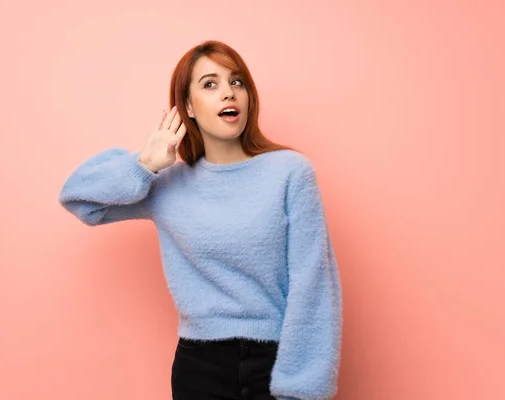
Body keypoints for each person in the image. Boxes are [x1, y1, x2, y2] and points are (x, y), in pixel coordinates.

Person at [58, 40, 343, 400]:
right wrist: (143, 166)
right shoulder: (167, 184)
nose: (228, 93)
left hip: (277, 360)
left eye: (236, 82)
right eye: (210, 84)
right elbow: (79, 198)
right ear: (188, 107)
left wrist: (301, 389)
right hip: (200, 367)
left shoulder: (290, 172)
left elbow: (314, 286)